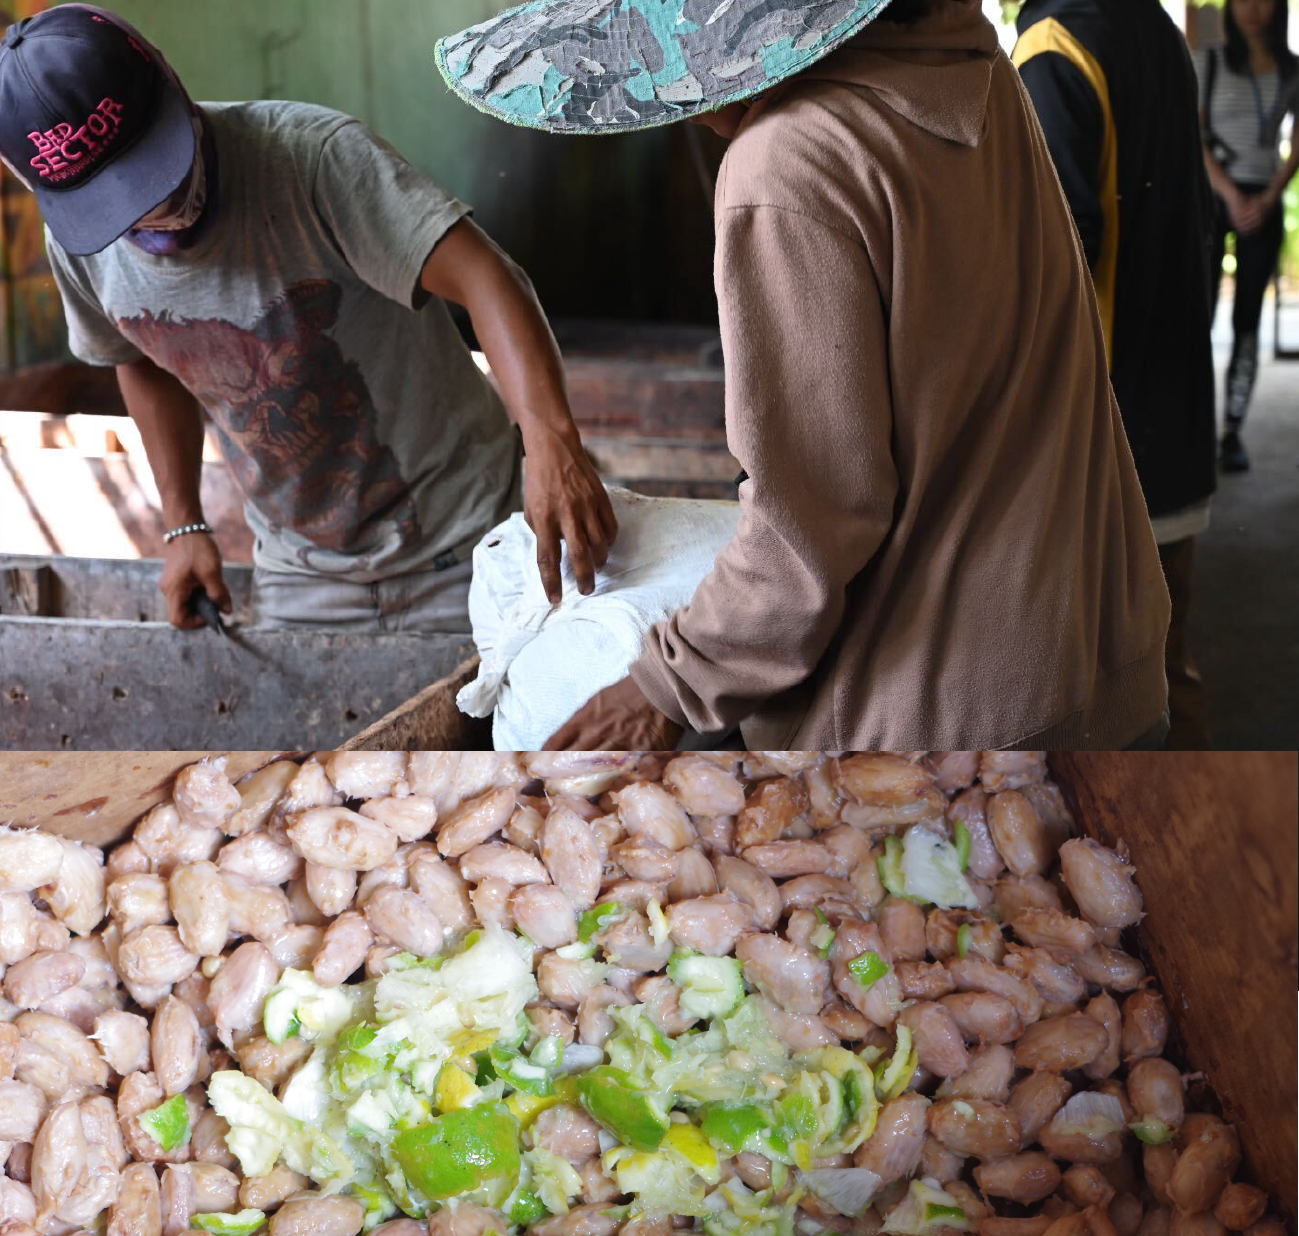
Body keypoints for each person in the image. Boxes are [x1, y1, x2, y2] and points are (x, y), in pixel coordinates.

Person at [436, 0, 1171, 750]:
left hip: (949, 732)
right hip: (1101, 664)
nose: (692, 112)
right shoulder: (968, 65)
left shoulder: (790, 160)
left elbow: (810, 531)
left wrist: (669, 684)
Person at [0, 5, 614, 632]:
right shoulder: (79, 242)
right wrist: (183, 525)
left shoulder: (312, 161)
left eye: (153, 171)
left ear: (170, 82)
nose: (153, 209)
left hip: (471, 543)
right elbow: (139, 359)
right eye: (119, 202)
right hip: (302, 577)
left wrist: (552, 446)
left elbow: (486, 278)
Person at [1012, 0, 1217, 749]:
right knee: (1165, 673)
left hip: (1102, 445)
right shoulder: (1154, 26)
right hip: (1172, 413)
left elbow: (1054, 263)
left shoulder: (1053, 46)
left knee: (1092, 708)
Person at [1198, 0, 1298, 474]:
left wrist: (1270, 195)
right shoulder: (1211, 59)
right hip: (1214, 196)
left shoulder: (1292, 67)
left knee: (1247, 321)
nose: (1253, 10)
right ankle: (1194, 426)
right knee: (1197, 313)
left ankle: (1232, 430)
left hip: (1265, 199)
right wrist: (1231, 195)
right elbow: (1193, 135)